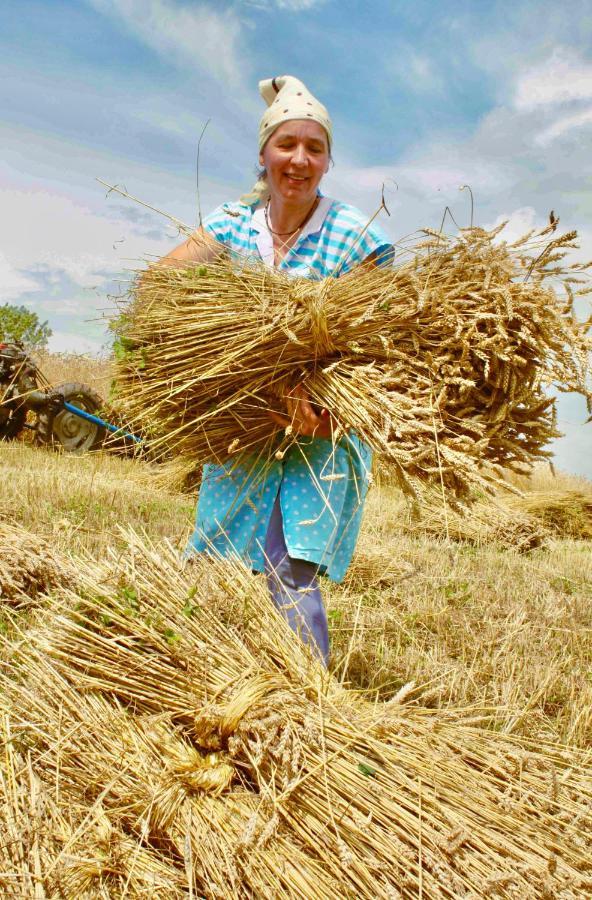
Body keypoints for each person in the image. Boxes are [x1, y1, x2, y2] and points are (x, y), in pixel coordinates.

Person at [160, 75, 393, 666]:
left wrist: (323, 406)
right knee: (218, 558)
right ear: (263, 153)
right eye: (287, 144)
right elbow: (160, 284)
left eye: (315, 148)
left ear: (328, 161)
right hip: (246, 429)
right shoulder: (235, 223)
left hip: (319, 432)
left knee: (288, 567)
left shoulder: (354, 236)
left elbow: (378, 350)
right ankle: (209, 678)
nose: (299, 159)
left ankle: (307, 708)